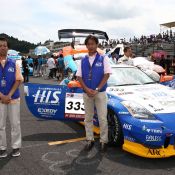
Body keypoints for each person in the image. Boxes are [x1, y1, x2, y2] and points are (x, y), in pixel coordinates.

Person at [76, 35, 112, 153]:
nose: (90, 46)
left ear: (97, 45)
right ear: (86, 46)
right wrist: (86, 89)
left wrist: (97, 89)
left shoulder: (103, 58)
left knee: (102, 118)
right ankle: (89, 140)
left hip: (100, 93)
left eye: (93, 44)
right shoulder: (83, 60)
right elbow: (79, 76)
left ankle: (104, 141)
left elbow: (107, 74)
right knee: (88, 118)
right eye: (88, 44)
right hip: (87, 93)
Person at [0, 37, 23, 158]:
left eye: (4, 45)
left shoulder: (14, 63)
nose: (2, 47)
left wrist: (8, 95)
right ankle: (1, 148)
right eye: (0, 46)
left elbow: (18, 80)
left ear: (8, 47)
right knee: (0, 125)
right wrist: (2, 96)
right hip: (0, 99)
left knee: (15, 124)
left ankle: (15, 146)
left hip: (13, 98)